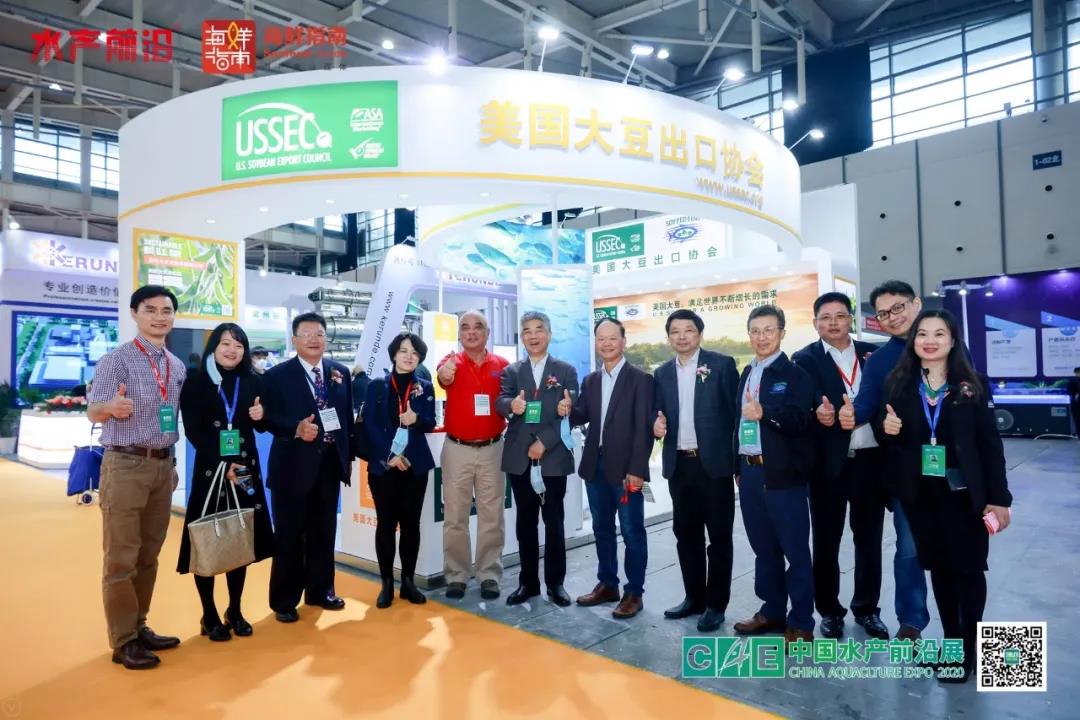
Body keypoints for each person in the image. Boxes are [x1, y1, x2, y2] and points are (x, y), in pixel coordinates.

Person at [875, 309, 1012, 683]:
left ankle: (970, 650)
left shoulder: (972, 385)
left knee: (969, 570)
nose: (930, 341)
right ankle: (953, 645)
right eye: (922, 334)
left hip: (964, 495)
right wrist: (887, 428)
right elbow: (889, 438)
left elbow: (990, 446)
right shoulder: (899, 384)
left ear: (953, 340)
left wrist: (1000, 499)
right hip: (921, 495)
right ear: (913, 341)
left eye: (939, 333)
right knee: (939, 570)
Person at [87, 285, 186, 670]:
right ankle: (123, 639)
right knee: (121, 557)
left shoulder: (175, 365)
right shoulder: (117, 360)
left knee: (149, 555)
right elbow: (93, 411)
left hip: (162, 466)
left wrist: (170, 464)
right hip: (125, 465)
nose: (160, 316)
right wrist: (109, 407)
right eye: (150, 309)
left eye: (166, 310)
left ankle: (139, 625)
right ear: (134, 313)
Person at [792, 292, 889, 641]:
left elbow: (888, 399)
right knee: (826, 542)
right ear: (815, 322)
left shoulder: (873, 354)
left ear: (851, 319)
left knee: (869, 541)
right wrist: (815, 414)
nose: (833, 323)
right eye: (825, 317)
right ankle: (830, 611)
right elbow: (799, 409)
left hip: (871, 462)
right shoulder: (803, 359)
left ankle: (867, 609)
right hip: (827, 467)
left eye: (840, 316)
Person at [840, 280, 930, 641]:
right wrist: (847, 415)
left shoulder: (946, 345)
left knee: (957, 550)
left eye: (898, 308)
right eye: (882, 313)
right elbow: (865, 405)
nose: (891, 317)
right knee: (909, 549)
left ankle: (962, 628)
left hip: (952, 469)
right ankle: (912, 621)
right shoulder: (879, 360)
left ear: (916, 304)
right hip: (906, 470)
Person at [177, 323, 274, 641]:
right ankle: (209, 613)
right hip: (212, 470)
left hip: (244, 470)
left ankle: (235, 609)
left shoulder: (253, 381)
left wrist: (262, 416)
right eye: (226, 343)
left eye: (239, 345)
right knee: (206, 536)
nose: (232, 350)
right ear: (214, 347)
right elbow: (194, 431)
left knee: (239, 537)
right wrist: (223, 464)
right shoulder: (196, 382)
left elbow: (261, 427)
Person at [731, 306, 816, 646]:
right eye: (755, 330)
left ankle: (802, 622)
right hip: (750, 474)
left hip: (783, 476)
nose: (761, 337)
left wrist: (765, 412)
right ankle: (772, 611)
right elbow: (737, 424)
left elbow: (800, 422)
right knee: (763, 549)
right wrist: (738, 468)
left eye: (769, 330)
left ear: (782, 332)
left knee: (795, 552)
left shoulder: (795, 374)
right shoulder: (746, 372)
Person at [262, 312, 354, 622]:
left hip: (328, 466)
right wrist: (295, 428)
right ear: (294, 340)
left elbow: (345, 419)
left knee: (324, 531)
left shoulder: (340, 372)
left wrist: (346, 456)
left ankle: (321, 590)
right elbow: (267, 419)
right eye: (307, 334)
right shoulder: (276, 376)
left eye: (319, 334)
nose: (314, 339)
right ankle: (284, 600)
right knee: (289, 534)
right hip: (292, 467)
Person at [652, 309, 739, 633]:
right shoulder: (662, 373)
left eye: (688, 330)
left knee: (719, 537)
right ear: (669, 337)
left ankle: (716, 605)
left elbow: (736, 415)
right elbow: (656, 414)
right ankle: (694, 598)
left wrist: (737, 463)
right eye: (675, 331)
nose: (682, 336)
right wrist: (654, 424)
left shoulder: (721, 365)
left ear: (699, 334)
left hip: (714, 465)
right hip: (680, 465)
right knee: (686, 535)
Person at [569, 317, 653, 619]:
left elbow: (644, 429)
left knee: (632, 531)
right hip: (596, 465)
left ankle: (634, 592)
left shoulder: (640, 379)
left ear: (623, 341)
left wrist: (638, 470)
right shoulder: (591, 380)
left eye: (612, 338)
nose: (606, 344)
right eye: (601, 339)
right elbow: (581, 415)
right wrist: (566, 409)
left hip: (628, 469)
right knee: (602, 528)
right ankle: (608, 584)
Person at [496, 311, 579, 607]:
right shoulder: (511, 371)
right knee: (525, 523)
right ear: (522, 337)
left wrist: (544, 441)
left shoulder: (565, 371)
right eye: (527, 331)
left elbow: (570, 409)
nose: (533, 336)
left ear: (549, 334)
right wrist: (512, 405)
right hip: (520, 458)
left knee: (554, 522)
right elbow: (500, 401)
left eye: (539, 329)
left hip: (553, 458)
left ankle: (556, 584)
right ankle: (528, 583)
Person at [436, 311, 510, 600]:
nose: (471, 332)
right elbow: (443, 376)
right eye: (465, 327)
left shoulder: (502, 366)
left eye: (478, 327)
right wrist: (445, 373)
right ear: (459, 334)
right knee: (455, 515)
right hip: (457, 450)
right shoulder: (450, 362)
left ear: (487, 333)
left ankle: (489, 574)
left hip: (493, 449)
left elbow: (510, 399)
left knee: (492, 515)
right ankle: (456, 575)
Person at [361, 332, 436, 609]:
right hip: (385, 467)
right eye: (403, 351)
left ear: (420, 358)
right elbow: (369, 425)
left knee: (411, 525)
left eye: (414, 353)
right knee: (385, 524)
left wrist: (417, 419)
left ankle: (408, 582)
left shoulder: (425, 386)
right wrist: (390, 456)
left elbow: (430, 422)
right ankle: (386, 584)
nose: (408, 356)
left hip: (415, 466)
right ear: (393, 354)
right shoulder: (376, 386)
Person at [1067, 367, 1080, 436]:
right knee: (1077, 420)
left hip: (1076, 404)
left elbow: (1070, 392)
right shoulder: (1073, 381)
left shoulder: (1072, 381)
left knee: (1077, 420)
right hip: (1076, 403)